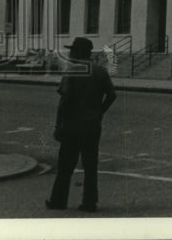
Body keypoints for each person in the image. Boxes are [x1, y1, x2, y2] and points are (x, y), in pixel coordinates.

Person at [46, 37, 117, 213]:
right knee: (90, 166)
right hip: (92, 125)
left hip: (72, 125)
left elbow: (65, 101)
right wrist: (100, 111)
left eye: (72, 50)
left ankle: (58, 200)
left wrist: (58, 125)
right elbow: (112, 95)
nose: (70, 54)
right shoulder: (100, 71)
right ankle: (89, 202)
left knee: (65, 166)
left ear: (78, 52)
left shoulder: (72, 71)